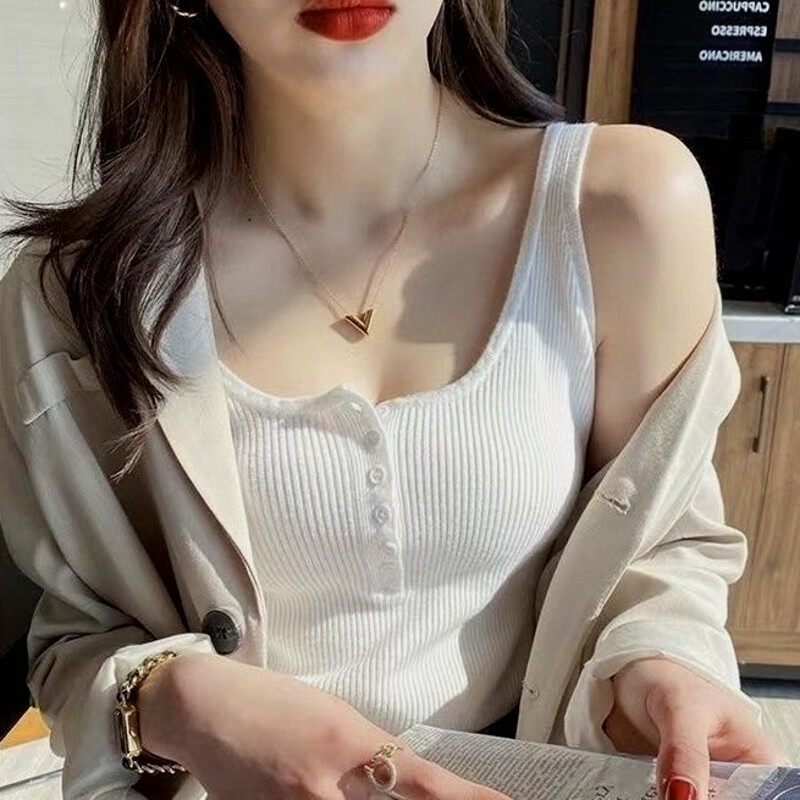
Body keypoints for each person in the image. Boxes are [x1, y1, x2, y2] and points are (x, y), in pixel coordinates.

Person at [0, 1, 789, 799]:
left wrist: (662, 661)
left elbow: (663, 541)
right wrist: (176, 698)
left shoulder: (621, 208)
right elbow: (73, 638)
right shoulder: (73, 291)